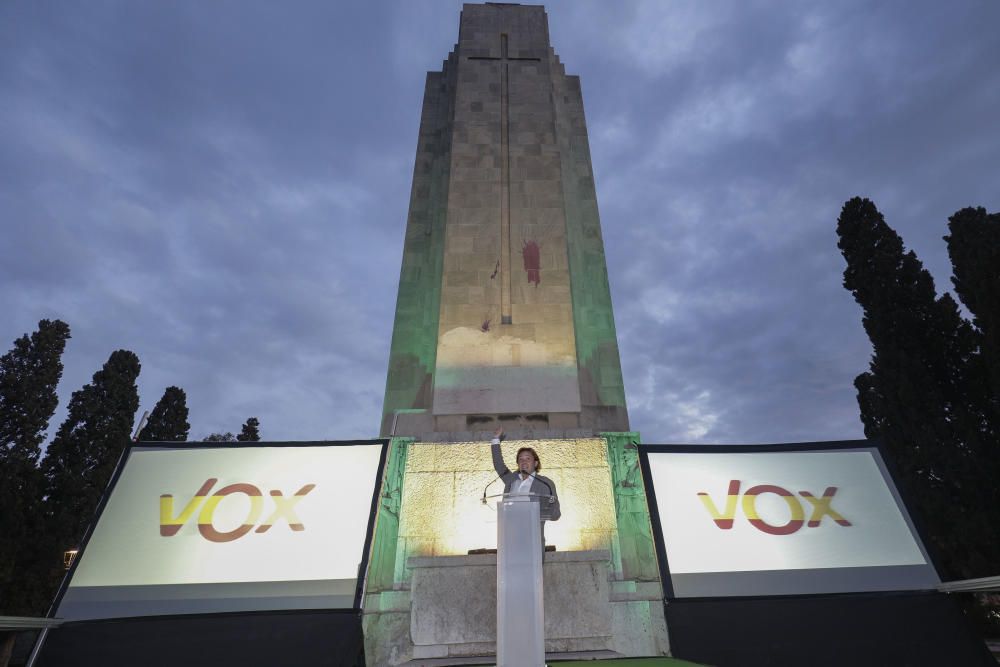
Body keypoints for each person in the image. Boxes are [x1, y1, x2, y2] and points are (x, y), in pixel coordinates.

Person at [490, 426, 560, 549]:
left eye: (528, 459)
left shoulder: (545, 484)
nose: (524, 462)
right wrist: (496, 440)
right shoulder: (511, 479)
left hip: (532, 543)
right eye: (520, 459)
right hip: (509, 542)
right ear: (517, 464)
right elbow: (499, 465)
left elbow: (555, 514)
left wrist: (532, 512)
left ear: (536, 463)